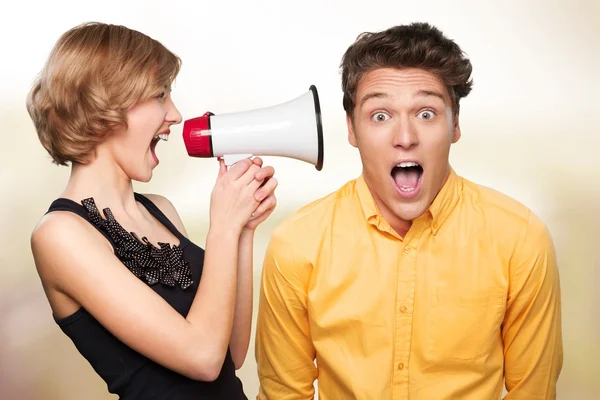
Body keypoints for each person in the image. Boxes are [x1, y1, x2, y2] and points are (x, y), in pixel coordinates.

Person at [255, 22, 563, 399]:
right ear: (351, 129)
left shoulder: (520, 238)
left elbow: (533, 392)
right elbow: (284, 393)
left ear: (456, 125)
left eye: (427, 114)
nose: (405, 138)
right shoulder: (297, 244)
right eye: (380, 116)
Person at [27, 22, 278, 399]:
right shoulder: (60, 235)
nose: (175, 114)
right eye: (160, 94)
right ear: (105, 103)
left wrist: (243, 227)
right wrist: (223, 227)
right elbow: (202, 358)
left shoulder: (160, 210)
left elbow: (231, 353)